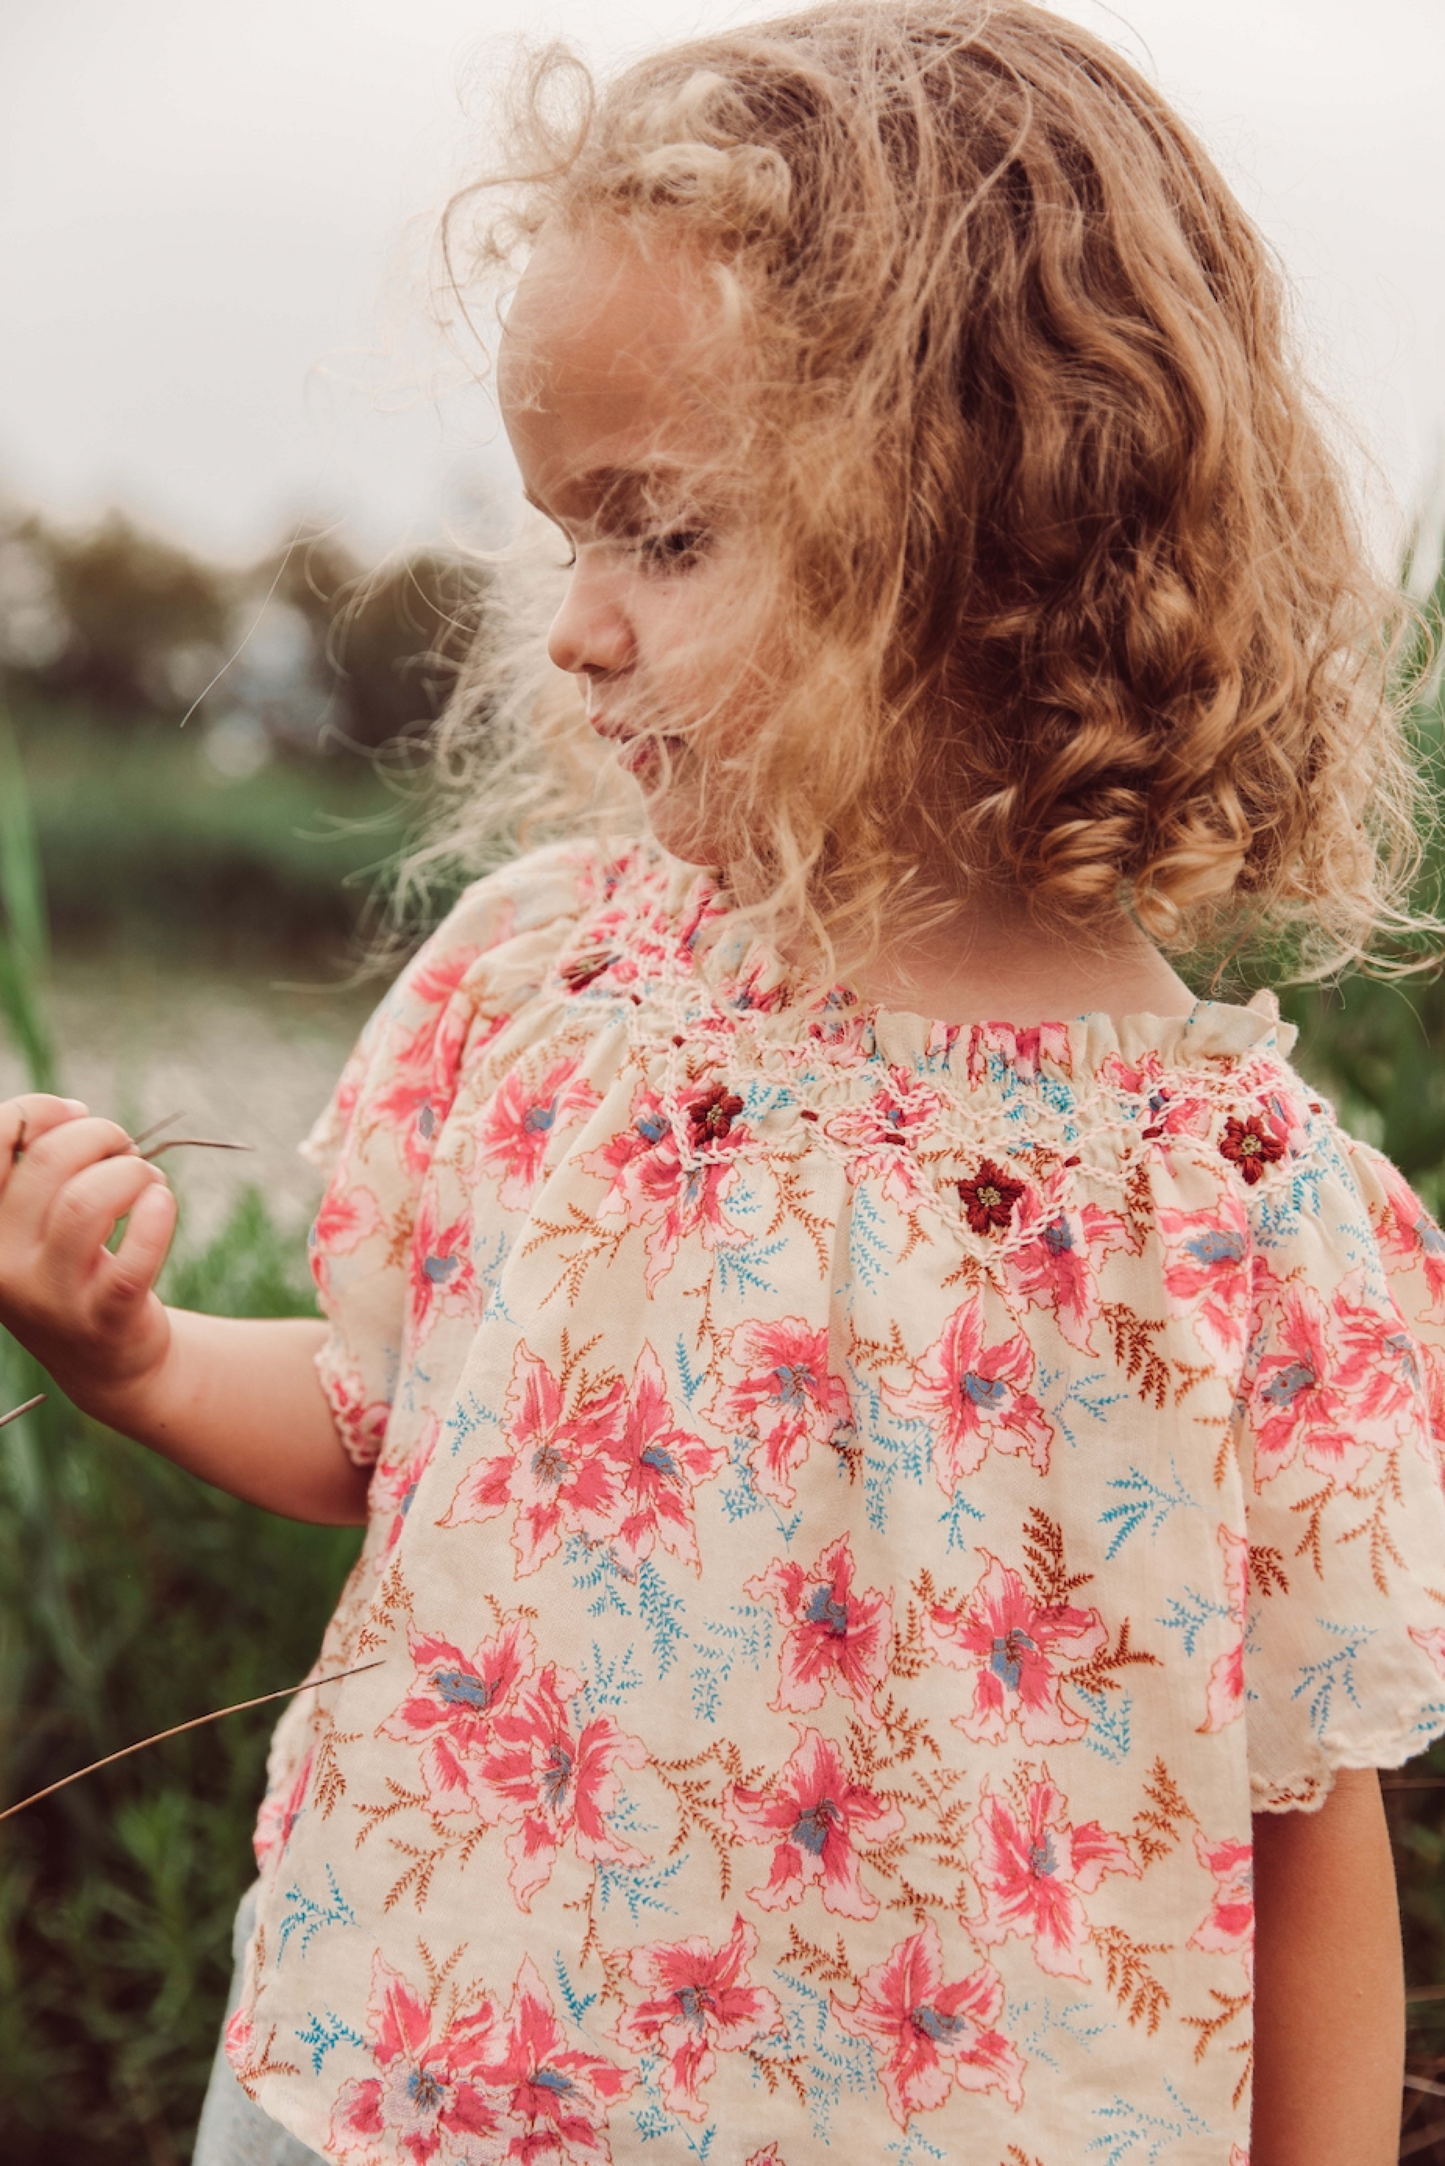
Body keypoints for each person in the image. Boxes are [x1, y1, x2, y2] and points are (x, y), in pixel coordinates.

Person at [0, 4, 1439, 2159]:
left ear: (993, 539)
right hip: (417, 2074)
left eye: (660, 536)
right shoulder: (556, 993)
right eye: (566, 534)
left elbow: (1300, 1831)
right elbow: (392, 1424)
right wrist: (127, 1351)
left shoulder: (1226, 1204)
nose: (573, 627)